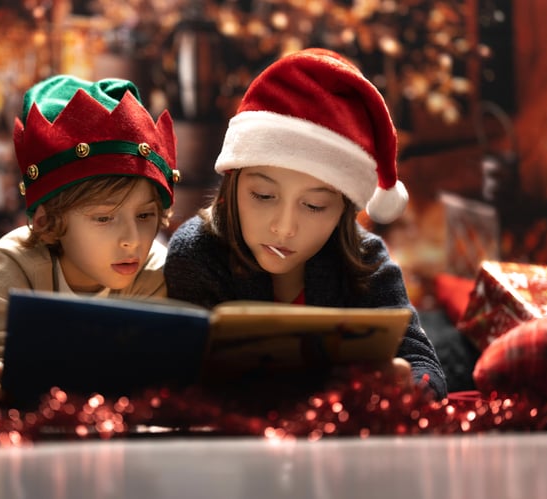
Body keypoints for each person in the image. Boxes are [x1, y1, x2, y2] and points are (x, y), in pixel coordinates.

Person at [164, 48, 447, 399]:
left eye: (314, 206)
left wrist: (408, 385)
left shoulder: (364, 258)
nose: (284, 228)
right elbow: (181, 381)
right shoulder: (197, 253)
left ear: (344, 209)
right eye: (263, 196)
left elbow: (424, 366)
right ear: (232, 184)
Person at [0, 75, 181, 417]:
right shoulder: (8, 264)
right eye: (104, 218)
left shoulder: (154, 268)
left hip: (61, 389)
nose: (132, 238)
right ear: (49, 224)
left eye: (144, 215)